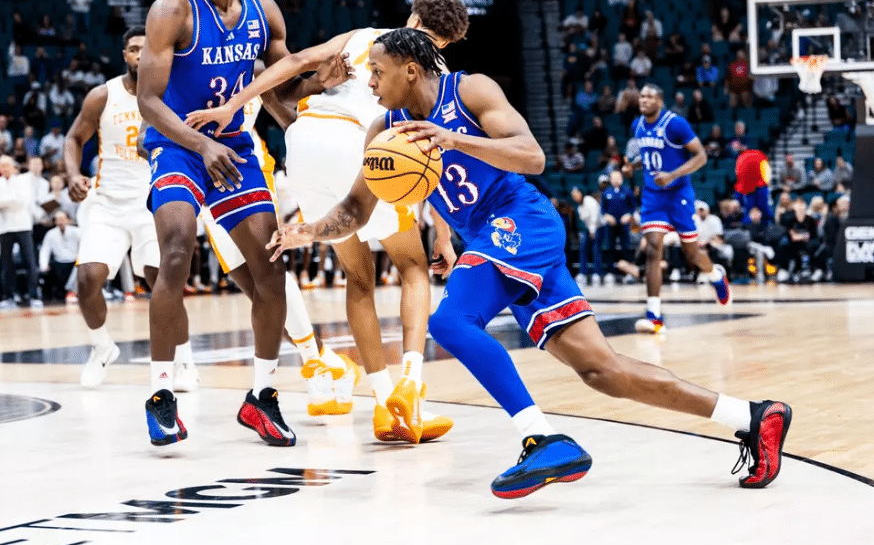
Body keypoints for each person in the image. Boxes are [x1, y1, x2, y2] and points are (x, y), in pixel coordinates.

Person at [265, 29, 792, 497]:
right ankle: (751, 416)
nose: (370, 82)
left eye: (377, 72)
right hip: (493, 237)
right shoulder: (384, 125)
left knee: (448, 321)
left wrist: (454, 139)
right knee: (600, 370)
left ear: (411, 70)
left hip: (521, 219)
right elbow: (358, 207)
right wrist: (311, 229)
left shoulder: (470, 90)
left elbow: (532, 155)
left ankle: (540, 437)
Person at [184, 0, 468, 444]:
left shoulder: (363, 36)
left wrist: (233, 105)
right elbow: (428, 153)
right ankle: (410, 388)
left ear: (412, 14)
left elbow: (292, 64)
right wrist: (443, 235)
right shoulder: (432, 69)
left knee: (357, 278)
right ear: (447, 42)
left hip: (305, 143)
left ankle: (381, 404)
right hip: (360, 146)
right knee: (412, 267)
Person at [136, 0, 331, 447]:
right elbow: (147, 101)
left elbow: (280, 86)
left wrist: (322, 83)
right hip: (180, 144)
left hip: (235, 147)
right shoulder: (172, 10)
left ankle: (261, 395)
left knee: (271, 271)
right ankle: (162, 394)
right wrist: (201, 144)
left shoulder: (263, 10)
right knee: (178, 249)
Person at [137, 56, 362, 416]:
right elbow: (145, 134)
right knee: (256, 290)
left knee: (270, 272)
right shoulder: (175, 69)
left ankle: (315, 365)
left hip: (243, 166)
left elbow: (282, 107)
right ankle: (326, 360)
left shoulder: (253, 67)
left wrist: (308, 138)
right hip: (196, 168)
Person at [63, 27, 199, 390]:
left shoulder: (174, 95)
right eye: (134, 49)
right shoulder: (102, 95)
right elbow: (74, 138)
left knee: (163, 280)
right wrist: (74, 174)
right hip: (107, 203)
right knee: (88, 279)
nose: (140, 54)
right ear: (125, 54)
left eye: (146, 48)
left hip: (153, 203)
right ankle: (102, 348)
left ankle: (184, 360)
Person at [623, 84, 731, 334]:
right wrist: (634, 168)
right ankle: (654, 315)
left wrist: (672, 176)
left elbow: (701, 156)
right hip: (653, 195)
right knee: (653, 250)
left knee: (692, 255)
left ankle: (715, 275)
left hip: (679, 194)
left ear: (660, 101)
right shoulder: (637, 126)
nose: (644, 100)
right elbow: (650, 156)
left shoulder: (676, 124)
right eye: (641, 96)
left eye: (650, 96)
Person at [0, 155, 40, 309]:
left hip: (23, 226)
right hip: (4, 228)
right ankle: (9, 296)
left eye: (7, 165)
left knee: (30, 262)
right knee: (6, 264)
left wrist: (6, 202)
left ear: (13, 167)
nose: (4, 168)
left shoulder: (23, 181)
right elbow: (14, 202)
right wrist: (12, 200)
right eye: (2, 166)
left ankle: (34, 295)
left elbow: (23, 202)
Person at [39, 209, 80, 301]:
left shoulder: (77, 232)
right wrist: (43, 265)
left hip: (75, 262)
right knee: (49, 270)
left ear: (69, 220)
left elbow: (84, 248)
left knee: (80, 265)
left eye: (62, 219)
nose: (60, 222)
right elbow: (45, 250)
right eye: (58, 219)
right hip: (59, 264)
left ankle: (72, 292)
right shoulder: (50, 234)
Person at [734, 143, 772, 223]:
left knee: (756, 212)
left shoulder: (741, 159)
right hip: (755, 189)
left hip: (754, 189)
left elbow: (739, 175)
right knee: (761, 212)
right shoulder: (758, 155)